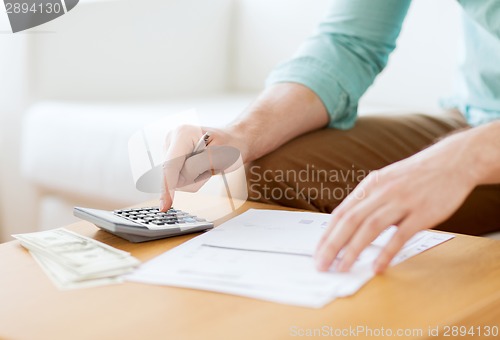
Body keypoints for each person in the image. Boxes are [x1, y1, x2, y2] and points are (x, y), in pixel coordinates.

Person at [160, 0, 500, 274]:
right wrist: (240, 134)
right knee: (278, 171)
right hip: (477, 116)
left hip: (481, 144)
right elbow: (349, 43)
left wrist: (466, 157)